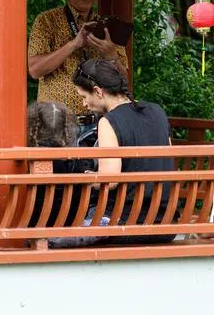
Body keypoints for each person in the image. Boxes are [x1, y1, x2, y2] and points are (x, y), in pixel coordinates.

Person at [50, 58, 174, 248]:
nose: (84, 104)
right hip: (165, 223)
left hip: (126, 223)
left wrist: (83, 175)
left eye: (84, 96)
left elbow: (109, 181)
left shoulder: (108, 121)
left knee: (48, 239)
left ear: (98, 91)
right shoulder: (157, 111)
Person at [28, 0, 128, 116]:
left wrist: (111, 56)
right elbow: (34, 70)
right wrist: (74, 44)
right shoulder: (46, 20)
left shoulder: (107, 26)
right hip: (56, 122)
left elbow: (124, 82)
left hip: (99, 122)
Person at [26, 101, 95, 228]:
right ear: (66, 130)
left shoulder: (24, 163)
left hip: (32, 226)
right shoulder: (77, 164)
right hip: (68, 225)